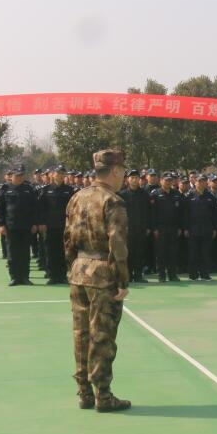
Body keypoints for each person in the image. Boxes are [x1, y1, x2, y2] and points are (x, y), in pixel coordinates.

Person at [65, 149, 131, 412]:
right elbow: (117, 244)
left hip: (79, 271)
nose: (124, 176)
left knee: (80, 334)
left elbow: (67, 238)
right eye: (122, 171)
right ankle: (103, 395)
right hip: (103, 274)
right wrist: (122, 280)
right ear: (115, 170)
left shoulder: (76, 197)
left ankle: (84, 392)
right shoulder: (113, 201)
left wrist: (73, 266)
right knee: (102, 336)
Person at [0, 166, 40, 286]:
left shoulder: (29, 189)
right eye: (17, 175)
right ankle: (14, 277)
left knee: (25, 253)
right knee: (12, 253)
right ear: (12, 176)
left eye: (21, 175)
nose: (20, 177)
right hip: (11, 226)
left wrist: (34, 223)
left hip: (26, 226)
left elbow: (35, 208)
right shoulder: (5, 188)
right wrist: (1, 224)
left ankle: (25, 277)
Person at [38, 164, 76, 285]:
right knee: (51, 251)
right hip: (50, 226)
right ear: (53, 174)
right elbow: (41, 208)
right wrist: (41, 223)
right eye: (58, 173)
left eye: (62, 173)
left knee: (63, 251)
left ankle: (62, 275)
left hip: (65, 226)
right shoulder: (45, 190)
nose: (60, 175)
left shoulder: (69, 190)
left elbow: (73, 209)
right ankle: (53, 276)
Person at [150, 172, 185, 282]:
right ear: (161, 181)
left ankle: (172, 275)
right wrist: (154, 228)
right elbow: (152, 213)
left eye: (170, 180)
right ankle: (161, 275)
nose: (168, 182)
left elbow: (180, 213)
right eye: (166, 180)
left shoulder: (176, 194)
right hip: (160, 228)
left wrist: (180, 227)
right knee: (161, 253)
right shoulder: (155, 194)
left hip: (173, 228)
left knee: (172, 252)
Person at [119, 169, 151, 283]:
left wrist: (148, 227)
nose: (134, 180)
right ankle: (128, 275)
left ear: (139, 180)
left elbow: (148, 212)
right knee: (128, 253)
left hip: (141, 228)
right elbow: (118, 213)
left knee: (139, 252)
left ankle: (138, 275)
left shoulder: (144, 194)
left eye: (136, 178)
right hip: (127, 229)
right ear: (127, 179)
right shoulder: (122, 194)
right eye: (132, 178)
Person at [184, 174, 217, 281]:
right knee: (193, 253)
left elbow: (214, 214)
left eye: (203, 181)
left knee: (205, 253)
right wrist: (186, 228)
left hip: (207, 229)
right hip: (193, 229)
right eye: (199, 181)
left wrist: (214, 228)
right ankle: (193, 274)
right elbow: (185, 214)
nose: (201, 183)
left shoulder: (210, 196)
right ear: (195, 182)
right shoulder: (189, 196)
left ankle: (204, 274)